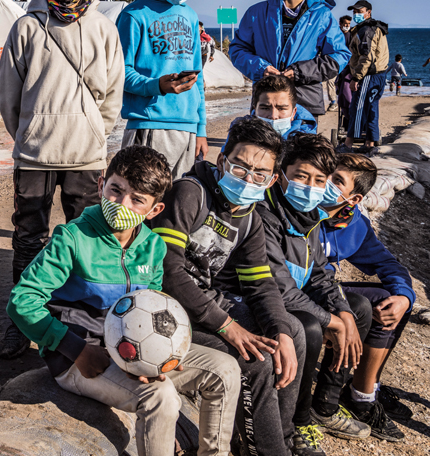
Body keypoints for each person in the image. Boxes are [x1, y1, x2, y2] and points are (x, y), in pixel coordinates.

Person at [7, 146, 241, 456]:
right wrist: (74, 349)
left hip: (131, 353)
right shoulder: (72, 239)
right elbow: (22, 302)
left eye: (137, 200)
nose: (122, 203)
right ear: (101, 183)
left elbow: (154, 303)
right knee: (160, 397)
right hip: (82, 357)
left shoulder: (153, 246)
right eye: (116, 190)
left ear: (154, 210)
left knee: (224, 369)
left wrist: (155, 356)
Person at [0, 0, 123, 359]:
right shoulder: (26, 27)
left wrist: (94, 136)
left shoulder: (104, 28)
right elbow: (9, 97)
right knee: (28, 238)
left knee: (84, 240)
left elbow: (112, 97)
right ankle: (20, 321)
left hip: (85, 157)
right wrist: (29, 136)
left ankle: (76, 320)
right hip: (34, 156)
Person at [152, 116, 305, 456]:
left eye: (259, 174)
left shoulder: (249, 216)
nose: (248, 178)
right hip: (168, 307)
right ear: (222, 161)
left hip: (205, 304)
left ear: (272, 179)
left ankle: (280, 439)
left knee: (291, 334)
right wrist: (227, 325)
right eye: (239, 167)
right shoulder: (191, 193)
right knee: (254, 359)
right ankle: (264, 450)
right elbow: (168, 269)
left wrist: (278, 328)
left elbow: (260, 283)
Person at [258, 133, 373, 455]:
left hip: (293, 295)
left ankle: (326, 405)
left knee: (360, 307)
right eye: (301, 177)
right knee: (308, 327)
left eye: (318, 180)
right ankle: (299, 418)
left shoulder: (312, 218)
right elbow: (277, 286)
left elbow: (320, 273)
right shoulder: (267, 214)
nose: (309, 186)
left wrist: (345, 314)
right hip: (261, 301)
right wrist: (333, 322)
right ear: (282, 175)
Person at [318, 153, 415, 441]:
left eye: (336, 181)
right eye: (327, 174)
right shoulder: (303, 206)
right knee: (360, 306)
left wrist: (405, 297)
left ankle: (363, 393)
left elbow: (388, 263)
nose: (324, 183)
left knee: (393, 301)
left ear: (354, 199)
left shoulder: (352, 222)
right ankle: (340, 400)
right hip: (298, 292)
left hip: (320, 289)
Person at [118, 0, 208, 180]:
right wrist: (156, 85)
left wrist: (200, 128)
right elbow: (119, 73)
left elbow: (198, 78)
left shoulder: (190, 16)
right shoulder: (134, 15)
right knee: (139, 203)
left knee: (177, 206)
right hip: (149, 126)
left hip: (188, 130)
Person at [229, 0, 351, 119]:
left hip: (305, 104)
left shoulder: (322, 16)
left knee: (301, 146)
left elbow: (340, 55)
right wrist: (260, 68)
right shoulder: (256, 12)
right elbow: (237, 50)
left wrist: (301, 72)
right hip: (266, 103)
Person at [340, 0, 388, 154]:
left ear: (369, 12)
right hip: (379, 75)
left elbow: (367, 56)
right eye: (354, 12)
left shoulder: (366, 30)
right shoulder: (374, 28)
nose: (356, 15)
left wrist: (356, 78)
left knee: (357, 108)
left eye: (360, 12)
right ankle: (370, 143)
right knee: (371, 108)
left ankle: (348, 144)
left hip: (368, 75)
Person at [225, 74, 316, 145]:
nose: (273, 116)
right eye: (265, 108)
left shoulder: (306, 141)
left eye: (281, 108)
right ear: (254, 109)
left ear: (293, 112)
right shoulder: (239, 134)